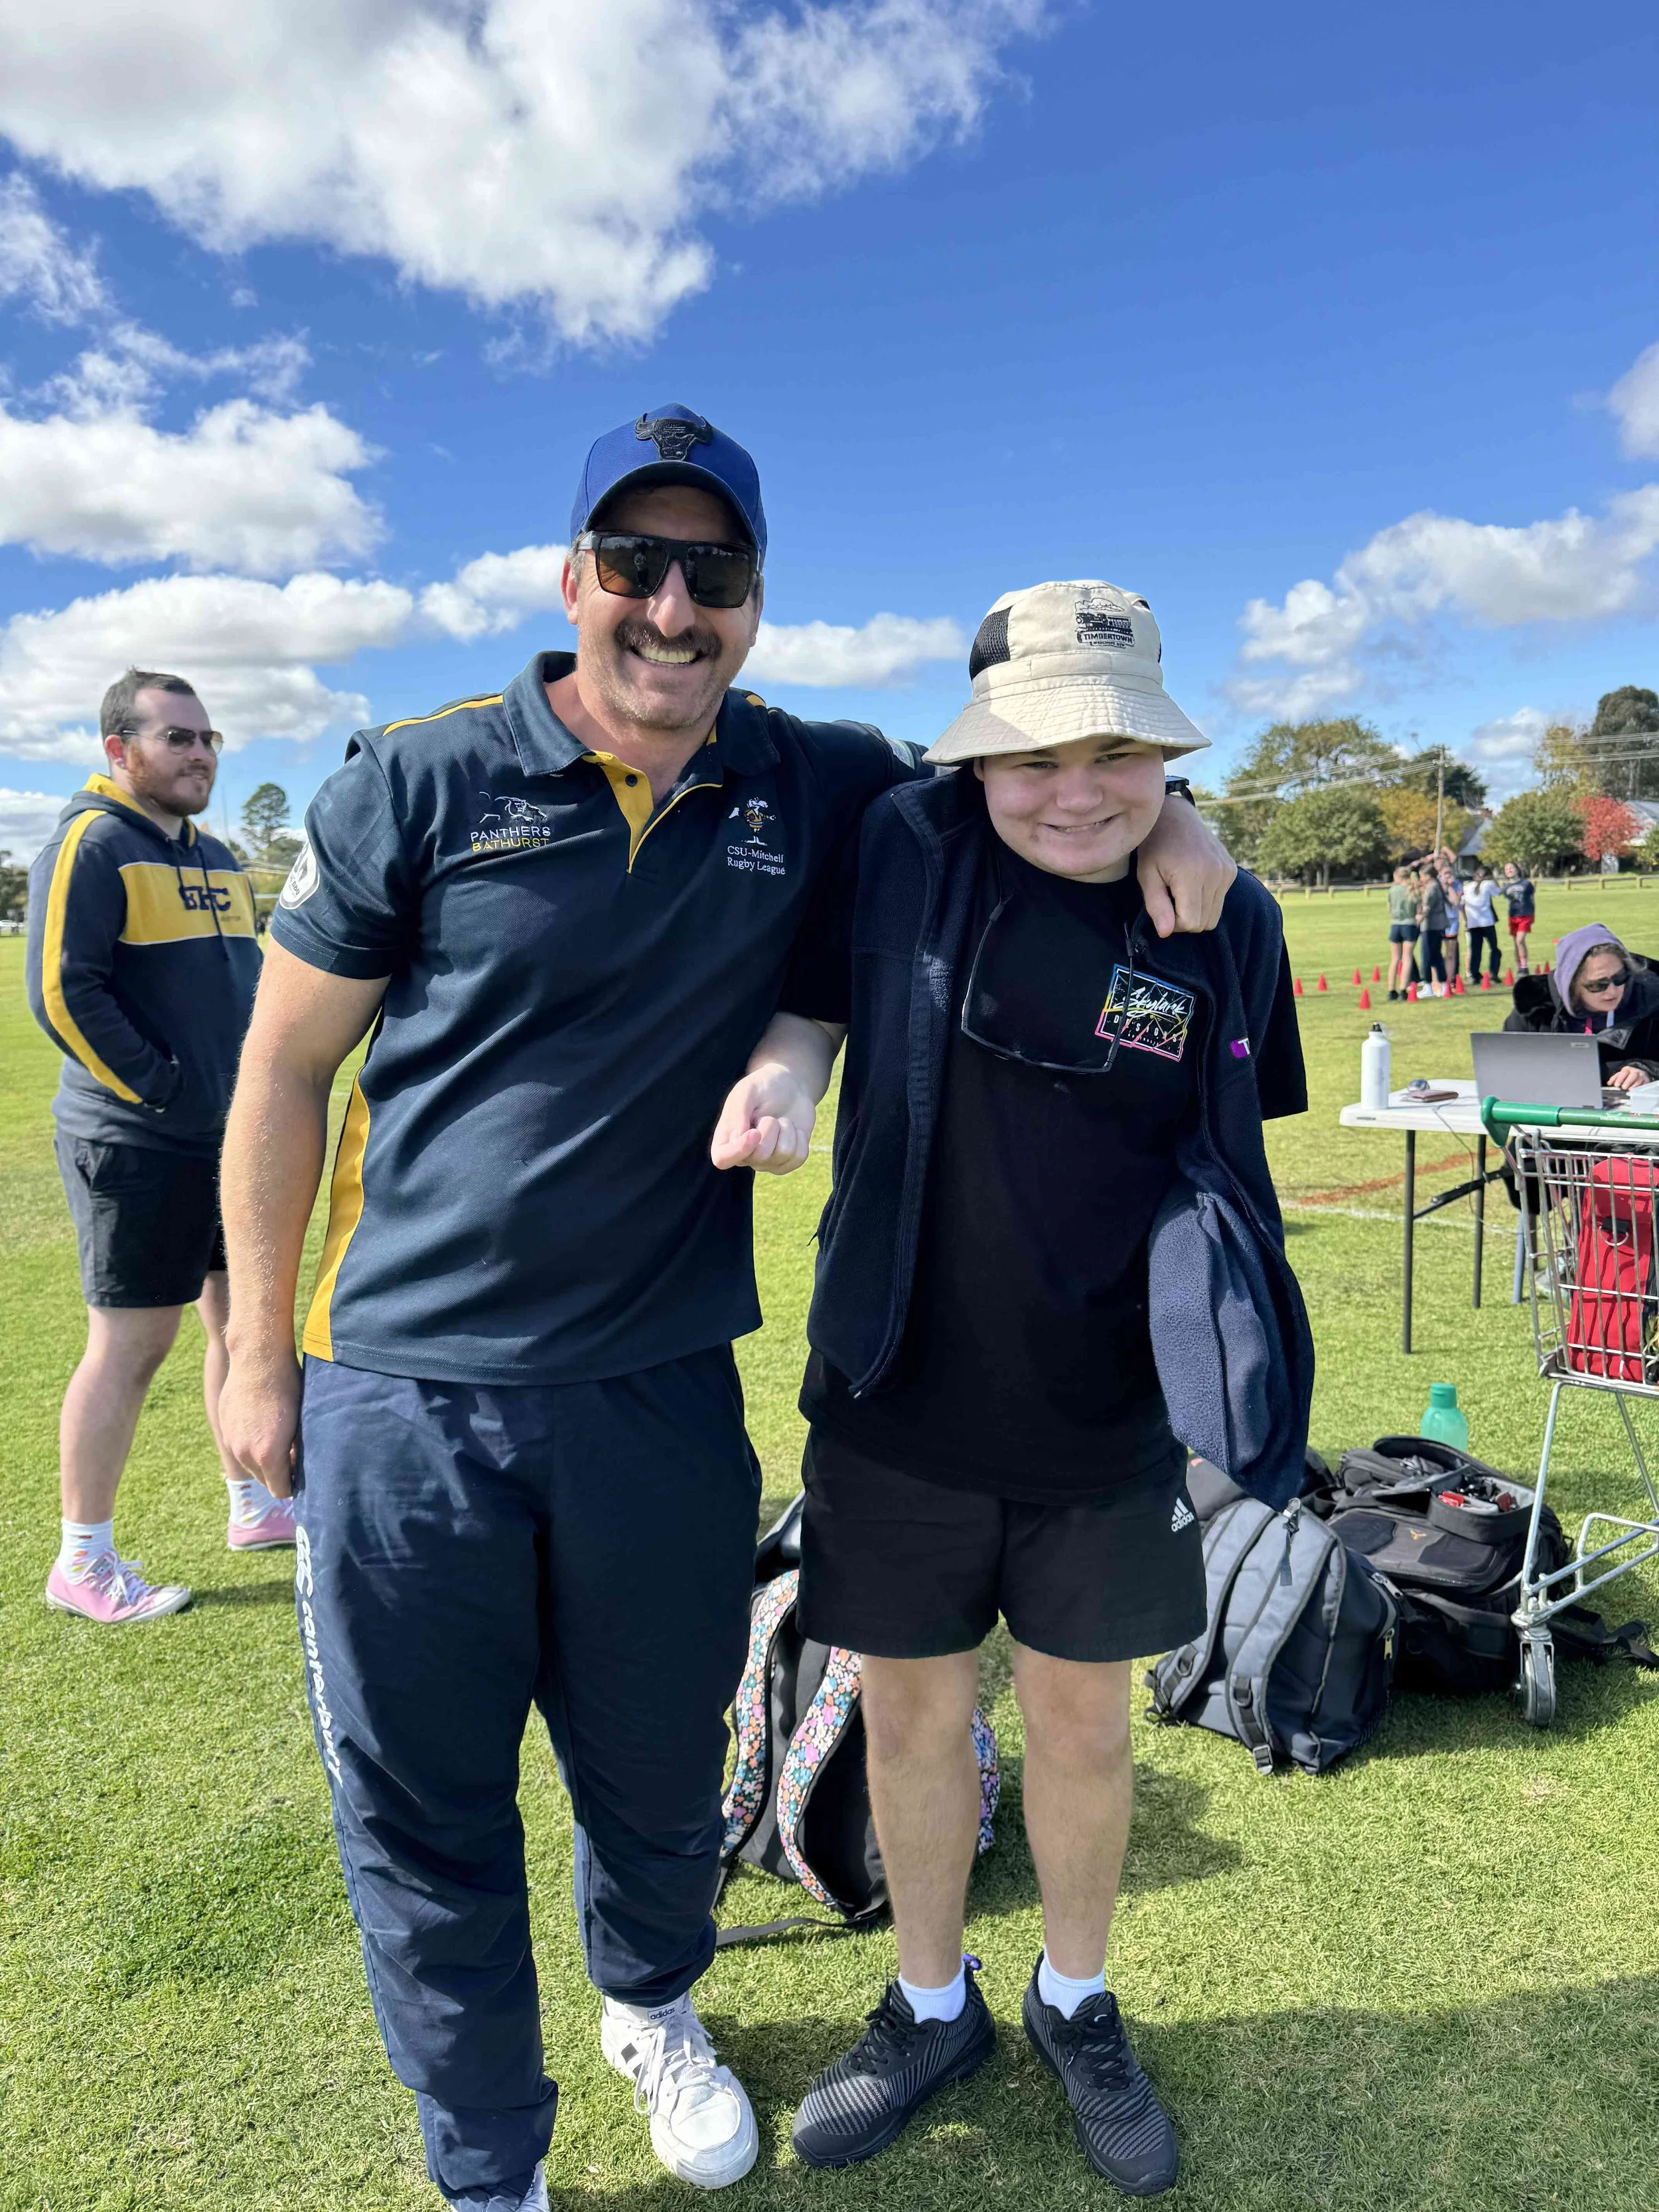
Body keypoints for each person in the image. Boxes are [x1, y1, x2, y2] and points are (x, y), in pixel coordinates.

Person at [214, 409, 1235, 2212]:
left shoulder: (810, 778)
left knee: (656, 1772)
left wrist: (1196, 821)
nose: (674, 606)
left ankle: (651, 2001)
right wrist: (247, 1353)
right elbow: (282, 1072)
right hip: (404, 1391)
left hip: (663, 1388)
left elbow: (1041, 782)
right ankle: (489, 2162)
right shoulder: (415, 776)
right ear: (574, 580)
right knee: (423, 1811)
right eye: (638, 565)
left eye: (718, 573)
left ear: (755, 600)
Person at [711, 582, 1310, 2197]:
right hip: (893, 1387)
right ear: (977, 754)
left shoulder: (1224, 917)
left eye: (1124, 754)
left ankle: (1075, 1997)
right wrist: (776, 1085)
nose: (1078, 788)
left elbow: (1242, 1157)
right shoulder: (902, 837)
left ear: (1171, 759)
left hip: (1110, 1415)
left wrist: (1197, 830)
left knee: (1084, 1725)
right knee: (912, 1714)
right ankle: (926, 2006)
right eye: (1034, 750)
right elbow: (814, 1010)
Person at [25, 670, 285, 1627]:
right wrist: (165, 1087)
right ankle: (82, 1561)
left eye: (209, 737)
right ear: (118, 748)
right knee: (132, 1345)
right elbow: (62, 992)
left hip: (231, 1138)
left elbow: (249, 991)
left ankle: (255, 1503)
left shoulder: (216, 854)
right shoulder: (91, 843)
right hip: (135, 1142)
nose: (200, 754)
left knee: (239, 1324)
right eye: (177, 737)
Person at [1502, 922, 1659, 1088]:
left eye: (1620, 978)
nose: (1612, 991)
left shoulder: (1652, 1002)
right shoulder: (1535, 1010)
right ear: (1572, 985)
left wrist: (1648, 1070)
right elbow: (1504, 1065)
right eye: (1598, 985)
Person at [1415, 862, 1449, 996]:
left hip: (1430, 926)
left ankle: (1428, 985)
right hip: (1438, 926)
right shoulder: (1436, 886)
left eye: (1422, 876)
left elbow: (1427, 907)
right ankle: (1443, 986)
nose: (1421, 879)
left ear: (1428, 876)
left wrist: (1419, 918)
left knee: (1426, 956)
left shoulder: (1432, 888)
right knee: (1436, 956)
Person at [1464, 863, 1500, 983]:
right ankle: (1493, 973)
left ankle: (1474, 975)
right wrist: (1493, 879)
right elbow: (1498, 892)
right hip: (1487, 922)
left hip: (1473, 922)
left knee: (1476, 950)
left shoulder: (1467, 886)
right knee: (1494, 949)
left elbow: (1463, 903)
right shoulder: (1488, 884)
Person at [1385, 864, 1417, 998]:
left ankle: (1391, 990)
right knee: (1407, 958)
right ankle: (1403, 989)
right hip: (1409, 924)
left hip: (1395, 925)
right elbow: (1418, 910)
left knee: (1395, 959)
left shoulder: (1392, 890)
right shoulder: (1412, 890)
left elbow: (1389, 908)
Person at [1501, 860, 1536, 973]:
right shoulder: (1506, 888)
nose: (1509, 870)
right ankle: (1519, 967)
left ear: (1516, 869)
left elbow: (1532, 899)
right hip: (1513, 916)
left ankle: (1524, 967)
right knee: (1516, 942)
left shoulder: (1526, 884)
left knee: (1520, 940)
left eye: (1511, 868)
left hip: (1525, 915)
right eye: (1506, 869)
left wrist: (1532, 914)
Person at [1439, 865, 1463, 985]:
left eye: (1450, 873)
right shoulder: (1436, 885)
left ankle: (1450, 980)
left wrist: (1449, 886)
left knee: (1450, 953)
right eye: (1445, 873)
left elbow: (1457, 902)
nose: (1448, 875)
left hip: (1452, 921)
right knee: (1437, 952)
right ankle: (1437, 980)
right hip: (1438, 922)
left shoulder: (1456, 884)